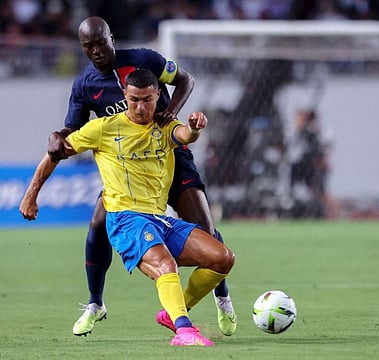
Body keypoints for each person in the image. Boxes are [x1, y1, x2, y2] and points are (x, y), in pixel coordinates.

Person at [24, 16, 237, 336]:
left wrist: (172, 111)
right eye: (88, 46)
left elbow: (186, 80)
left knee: (206, 231)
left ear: (111, 37)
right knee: (98, 221)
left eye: (100, 42)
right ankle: (96, 302)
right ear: (83, 48)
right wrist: (58, 135)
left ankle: (221, 296)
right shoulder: (85, 85)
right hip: (129, 172)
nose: (96, 50)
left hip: (171, 154)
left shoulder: (143, 59)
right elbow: (74, 130)